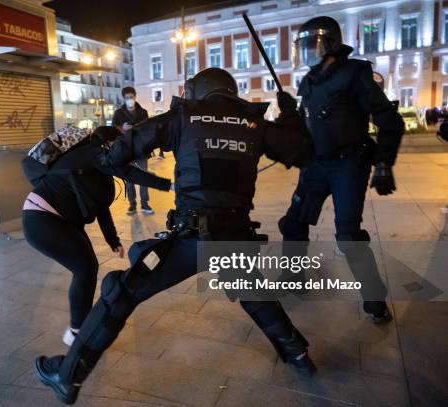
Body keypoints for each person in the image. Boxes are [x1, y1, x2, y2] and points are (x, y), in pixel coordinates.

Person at [34, 68, 316, 405]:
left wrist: (105, 154)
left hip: (192, 239)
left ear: (200, 90)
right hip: (235, 236)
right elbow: (300, 150)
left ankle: (68, 376)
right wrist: (291, 113)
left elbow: (132, 143)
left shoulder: (186, 116)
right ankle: (298, 355)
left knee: (119, 292)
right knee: (254, 293)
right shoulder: (254, 123)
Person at [280, 16, 404, 323]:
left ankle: (374, 299)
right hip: (316, 165)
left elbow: (390, 120)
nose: (307, 50)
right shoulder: (307, 81)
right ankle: (293, 278)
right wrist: (288, 114)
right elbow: (305, 127)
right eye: (303, 45)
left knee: (348, 236)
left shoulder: (355, 74)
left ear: (330, 43)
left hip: (349, 163)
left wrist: (384, 162)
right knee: (293, 224)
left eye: (312, 43)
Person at [22, 126, 171, 346]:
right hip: (42, 219)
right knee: (85, 269)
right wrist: (169, 185)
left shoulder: (96, 166)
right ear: (109, 145)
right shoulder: (91, 154)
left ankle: (79, 327)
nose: (125, 153)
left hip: (62, 221)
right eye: (121, 146)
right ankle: (76, 333)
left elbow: (101, 207)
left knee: (87, 268)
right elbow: (130, 174)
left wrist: (113, 241)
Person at [112, 86, 154, 215]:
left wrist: (139, 128)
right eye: (127, 98)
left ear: (135, 97)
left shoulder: (143, 112)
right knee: (129, 179)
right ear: (124, 98)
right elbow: (113, 130)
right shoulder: (119, 113)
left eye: (131, 97)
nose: (130, 99)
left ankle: (145, 204)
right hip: (126, 150)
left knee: (143, 177)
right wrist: (122, 128)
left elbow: (149, 129)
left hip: (141, 150)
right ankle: (132, 204)